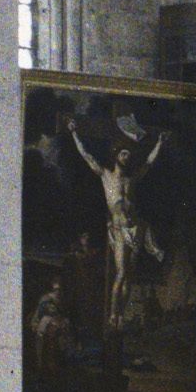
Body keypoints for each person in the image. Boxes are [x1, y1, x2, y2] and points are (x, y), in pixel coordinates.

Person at [68, 120, 168, 331]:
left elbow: (149, 162)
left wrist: (159, 142)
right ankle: (113, 314)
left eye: (128, 155)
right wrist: (74, 133)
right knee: (121, 273)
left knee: (129, 276)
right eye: (123, 154)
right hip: (119, 229)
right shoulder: (106, 175)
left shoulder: (131, 179)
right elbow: (86, 156)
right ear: (116, 155)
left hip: (135, 229)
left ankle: (121, 314)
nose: (127, 157)